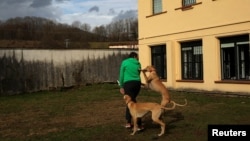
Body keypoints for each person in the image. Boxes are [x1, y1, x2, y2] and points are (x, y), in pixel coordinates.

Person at [118, 52, 144, 130]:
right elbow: (138, 73)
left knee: (130, 102)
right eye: (137, 57)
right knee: (132, 101)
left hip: (128, 83)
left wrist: (121, 86)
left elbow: (121, 75)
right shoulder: (138, 63)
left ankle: (132, 123)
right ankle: (136, 123)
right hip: (137, 83)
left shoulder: (125, 62)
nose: (138, 58)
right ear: (134, 56)